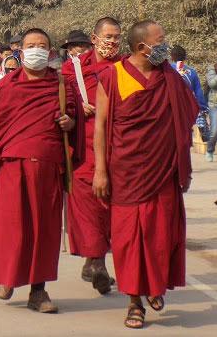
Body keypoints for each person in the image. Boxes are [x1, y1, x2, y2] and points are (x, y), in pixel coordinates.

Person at [93, 20, 198, 329]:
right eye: (160, 40)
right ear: (142, 48)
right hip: (125, 172)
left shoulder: (171, 79)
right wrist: (100, 170)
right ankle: (134, 302)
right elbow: (100, 126)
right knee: (129, 240)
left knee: (161, 236)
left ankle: (155, 285)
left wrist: (184, 165)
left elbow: (183, 123)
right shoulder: (113, 77)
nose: (165, 45)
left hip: (163, 171)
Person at [0, 28, 83, 314]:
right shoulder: (8, 85)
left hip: (48, 167)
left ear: (49, 53)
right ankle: (7, 277)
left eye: (42, 45)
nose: (36, 50)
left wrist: (69, 123)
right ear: (21, 52)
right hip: (12, 167)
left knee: (44, 231)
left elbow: (74, 119)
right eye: (30, 45)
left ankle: (38, 290)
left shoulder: (62, 85)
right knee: (11, 227)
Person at [61, 17, 122, 295]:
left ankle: (93, 261)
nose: (112, 42)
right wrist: (75, 109)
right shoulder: (73, 68)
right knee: (87, 208)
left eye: (116, 37)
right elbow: (61, 101)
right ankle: (97, 262)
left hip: (116, 148)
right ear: (94, 38)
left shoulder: (124, 67)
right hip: (84, 150)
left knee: (110, 209)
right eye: (107, 36)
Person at [171, 45, 208, 111]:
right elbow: (198, 92)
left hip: (171, 107)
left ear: (171, 57)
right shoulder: (192, 71)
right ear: (185, 57)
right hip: (187, 108)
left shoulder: (166, 71)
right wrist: (203, 107)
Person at [206, 63, 217, 162]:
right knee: (214, 130)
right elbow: (212, 84)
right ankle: (210, 150)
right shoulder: (212, 68)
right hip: (215, 105)